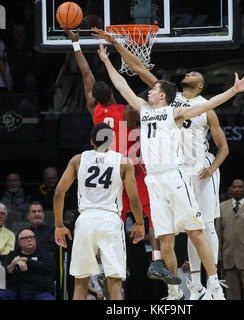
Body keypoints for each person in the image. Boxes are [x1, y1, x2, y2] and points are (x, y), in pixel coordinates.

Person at [97, 42, 244, 299]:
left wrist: (233, 90)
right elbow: (122, 86)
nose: (148, 91)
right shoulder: (144, 111)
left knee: (195, 231)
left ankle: (212, 283)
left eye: (153, 89)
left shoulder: (175, 113)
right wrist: (106, 62)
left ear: (162, 95)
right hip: (154, 181)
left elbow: (209, 104)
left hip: (175, 175)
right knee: (165, 239)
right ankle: (173, 291)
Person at [62, 27, 177, 286]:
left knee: (111, 220)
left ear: (94, 98)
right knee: (153, 217)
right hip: (135, 169)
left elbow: (85, 74)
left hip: (111, 173)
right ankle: (156, 260)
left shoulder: (94, 110)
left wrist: (76, 45)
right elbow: (145, 108)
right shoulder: (127, 111)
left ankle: (106, 267)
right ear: (113, 94)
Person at [53, 123, 145, 300]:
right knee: (115, 283)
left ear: (91, 141)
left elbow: (58, 193)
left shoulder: (78, 160)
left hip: (85, 219)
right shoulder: (124, 162)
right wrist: (140, 223)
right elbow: (134, 199)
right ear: (111, 142)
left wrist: (59, 225)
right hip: (110, 220)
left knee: (80, 284)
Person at [0, 228, 56, 300]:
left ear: (35, 239)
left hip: (40, 292)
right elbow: (3, 274)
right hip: (14, 291)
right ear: (19, 242)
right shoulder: (12, 254)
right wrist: (13, 264)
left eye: (31, 237)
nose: (29, 240)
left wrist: (25, 260)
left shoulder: (44, 253)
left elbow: (47, 268)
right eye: (25, 238)